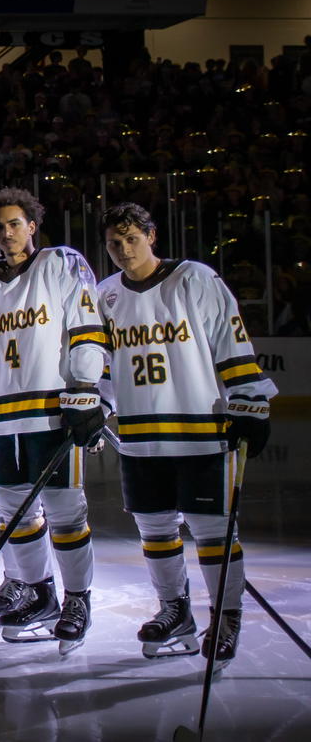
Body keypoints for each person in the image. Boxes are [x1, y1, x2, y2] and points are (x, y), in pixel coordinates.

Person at [98, 202, 274, 663]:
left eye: (131, 239)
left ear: (152, 236)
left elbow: (230, 340)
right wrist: (96, 404)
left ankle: (226, 615)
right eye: (114, 243)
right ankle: (175, 610)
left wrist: (250, 401)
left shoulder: (194, 278)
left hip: (200, 427)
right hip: (139, 433)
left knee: (213, 529)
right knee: (154, 526)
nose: (123, 250)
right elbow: (102, 366)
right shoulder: (105, 295)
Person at [0, 188, 108, 653]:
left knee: (65, 511)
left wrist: (85, 389)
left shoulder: (60, 263)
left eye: (14, 223)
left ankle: (77, 600)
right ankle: (40, 592)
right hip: (3, 413)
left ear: (32, 224)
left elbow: (85, 327)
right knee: (13, 512)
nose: (6, 233)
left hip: (50, 408)